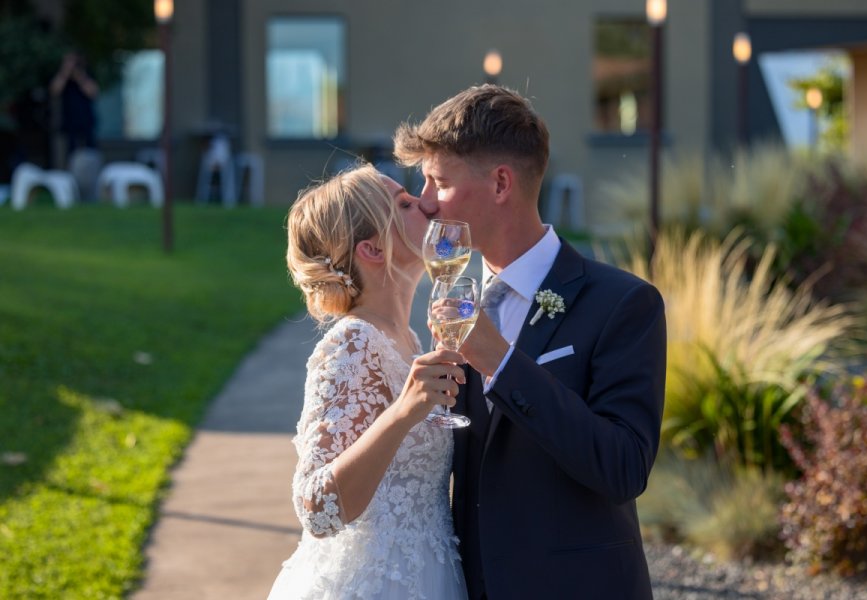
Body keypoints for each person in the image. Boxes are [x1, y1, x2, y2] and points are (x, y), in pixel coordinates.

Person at [394, 85, 667, 599]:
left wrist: (498, 360)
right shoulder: (452, 299)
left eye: (439, 182)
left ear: (501, 183)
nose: (427, 203)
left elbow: (623, 467)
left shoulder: (624, 304)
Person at [267, 164, 468, 599]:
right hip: (371, 583)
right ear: (373, 249)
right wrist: (402, 412)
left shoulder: (409, 338)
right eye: (405, 203)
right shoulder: (352, 345)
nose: (426, 202)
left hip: (430, 574)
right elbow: (316, 510)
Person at [50, 52, 98, 160]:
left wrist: (80, 76)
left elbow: (93, 93)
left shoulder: (87, 75)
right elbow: (54, 91)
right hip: (69, 120)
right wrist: (65, 72)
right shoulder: (63, 77)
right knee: (71, 152)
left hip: (86, 120)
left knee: (91, 150)